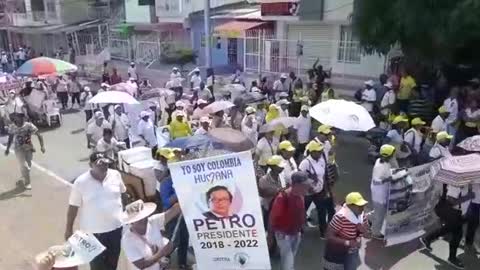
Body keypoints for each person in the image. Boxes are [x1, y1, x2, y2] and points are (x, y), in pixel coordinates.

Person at [65, 153, 126, 270]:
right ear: (90, 165)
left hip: (115, 230)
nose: (104, 167)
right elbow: (73, 207)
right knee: (97, 267)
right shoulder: (81, 182)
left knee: (112, 265)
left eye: (106, 164)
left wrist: (126, 215)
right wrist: (68, 229)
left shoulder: (116, 175)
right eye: (100, 164)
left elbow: (123, 194)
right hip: (93, 234)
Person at [420, 182, 473, 269]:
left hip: (456, 212)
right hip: (449, 210)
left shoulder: (466, 183)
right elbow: (451, 201)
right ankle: (452, 258)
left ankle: (427, 239)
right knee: (457, 233)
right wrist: (468, 196)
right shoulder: (455, 183)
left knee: (449, 229)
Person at [121, 200, 180, 270]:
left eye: (144, 216)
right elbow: (141, 264)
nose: (143, 219)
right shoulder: (127, 240)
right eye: (138, 219)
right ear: (131, 222)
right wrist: (162, 253)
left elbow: (173, 211)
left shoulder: (153, 221)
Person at [269, 171, 311, 270]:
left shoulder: (301, 194)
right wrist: (270, 237)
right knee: (288, 262)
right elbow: (272, 218)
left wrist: (302, 226)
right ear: (296, 185)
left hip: (296, 232)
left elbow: (301, 211)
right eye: (305, 185)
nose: (308, 187)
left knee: (289, 259)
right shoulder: (282, 197)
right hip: (284, 235)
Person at [324, 192, 370, 270]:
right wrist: (348, 242)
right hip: (337, 252)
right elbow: (329, 236)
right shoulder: (340, 217)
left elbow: (368, 235)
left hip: (352, 252)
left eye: (363, 205)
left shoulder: (362, 216)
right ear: (350, 206)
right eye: (359, 206)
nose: (362, 208)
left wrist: (364, 230)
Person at [370, 144, 406, 239]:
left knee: (380, 212)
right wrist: (387, 179)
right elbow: (376, 181)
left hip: (383, 191)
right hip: (379, 194)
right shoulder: (380, 166)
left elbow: (390, 171)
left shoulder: (383, 162)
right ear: (389, 155)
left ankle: (372, 222)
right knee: (380, 215)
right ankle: (375, 233)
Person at [299, 140, 333, 237]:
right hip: (308, 193)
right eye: (318, 151)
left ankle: (323, 232)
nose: (320, 153)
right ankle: (298, 229)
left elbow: (323, 176)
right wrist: (308, 187)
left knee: (322, 211)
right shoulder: (305, 163)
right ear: (312, 152)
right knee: (302, 210)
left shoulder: (321, 160)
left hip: (319, 191)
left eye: (320, 151)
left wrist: (326, 189)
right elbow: (299, 177)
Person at [4, 113, 45, 190]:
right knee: (24, 166)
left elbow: (39, 135)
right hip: (18, 149)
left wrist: (42, 146)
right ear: (16, 118)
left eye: (22, 117)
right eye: (19, 117)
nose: (21, 118)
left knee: (28, 166)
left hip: (28, 148)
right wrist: (7, 149)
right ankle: (27, 183)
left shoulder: (29, 126)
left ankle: (23, 176)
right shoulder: (12, 127)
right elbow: (10, 139)